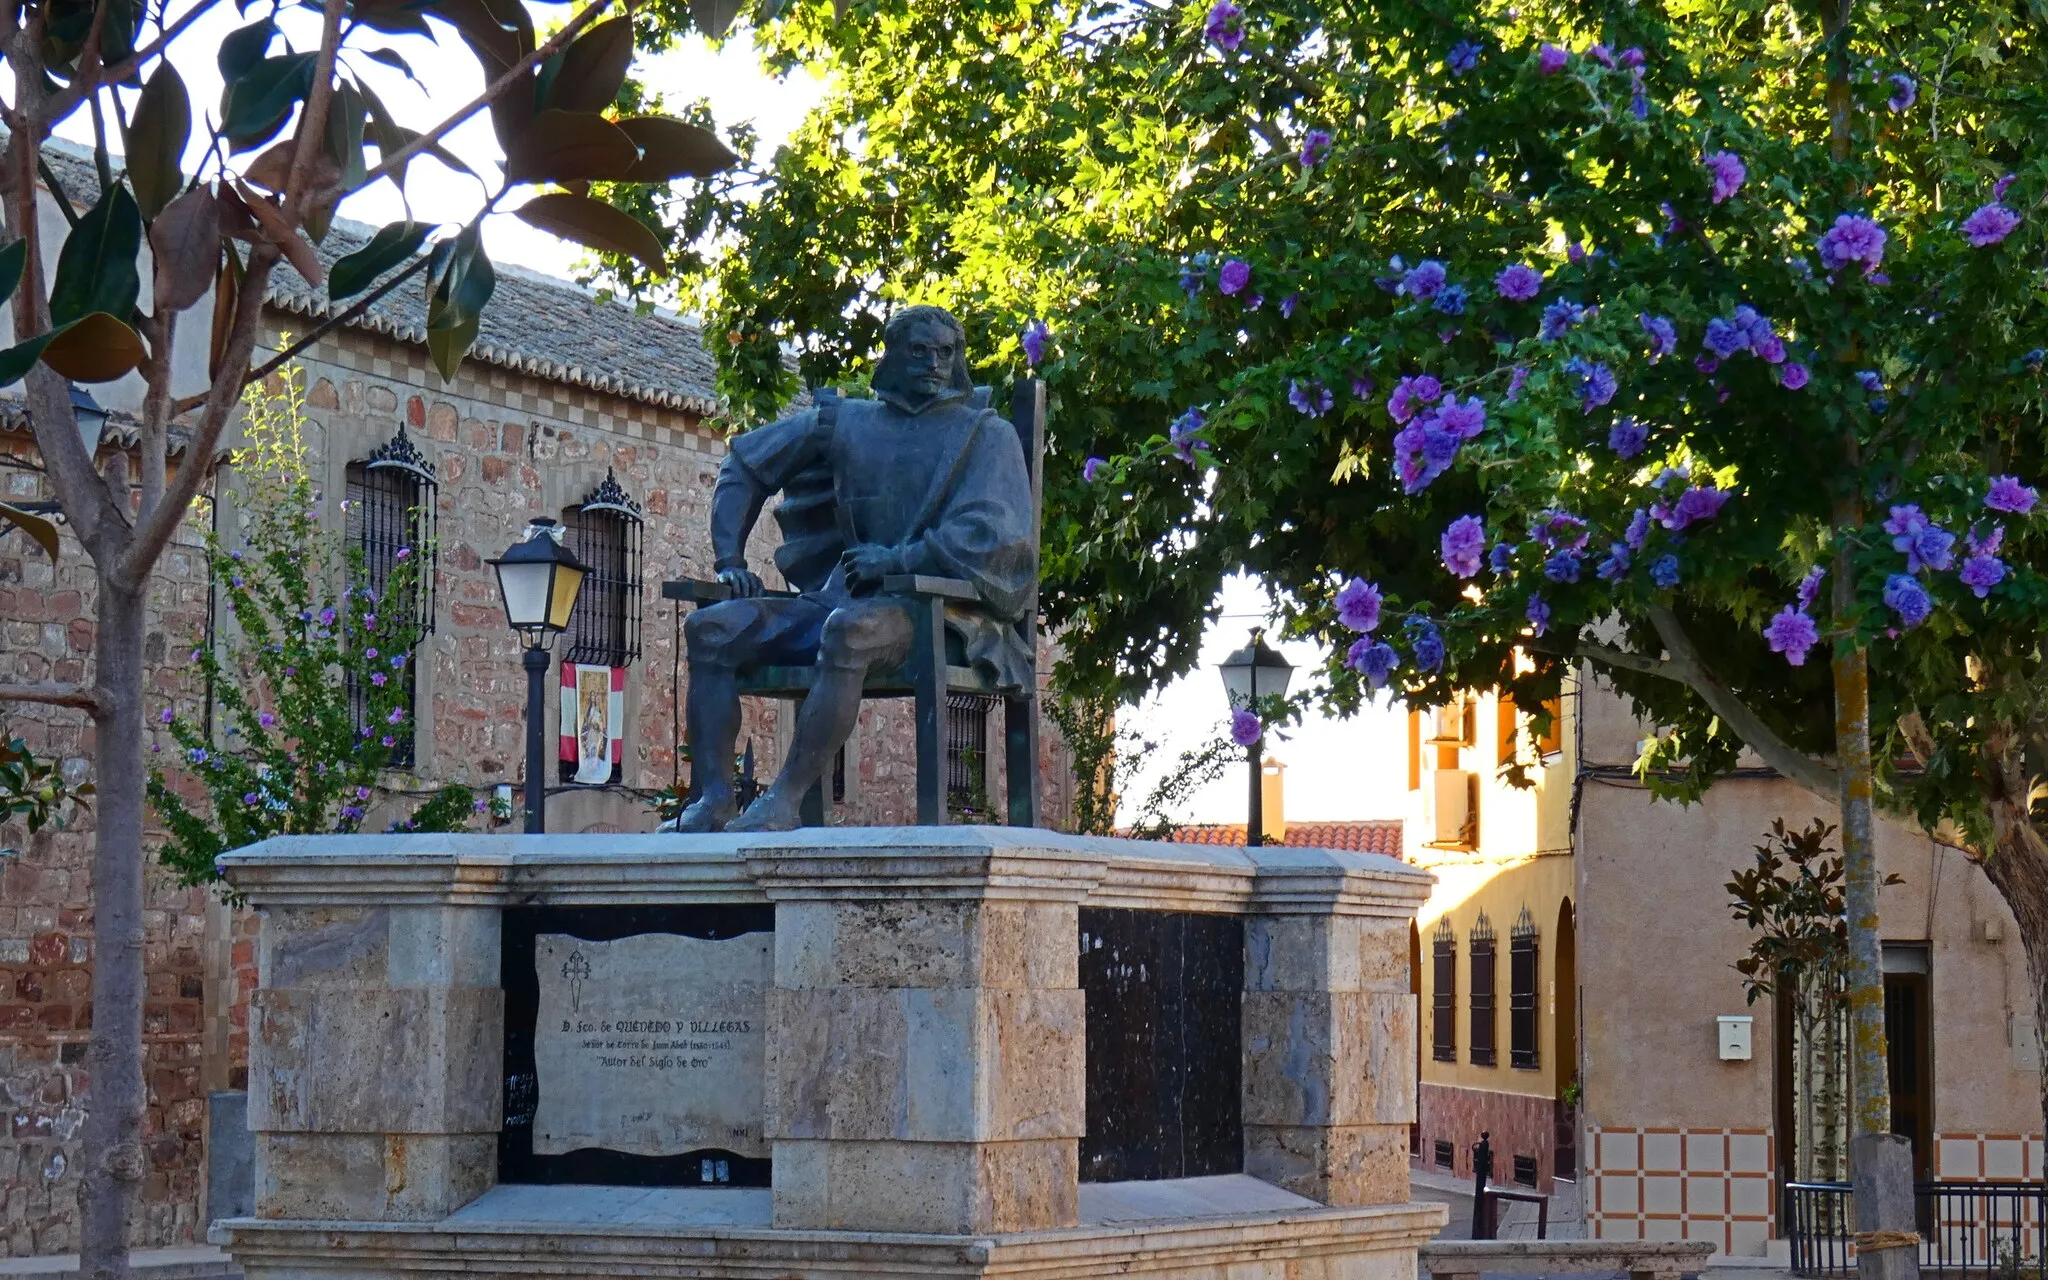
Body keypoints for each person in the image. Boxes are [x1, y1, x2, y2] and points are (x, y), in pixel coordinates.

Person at [671, 305, 1035, 831]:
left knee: (850, 632)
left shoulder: (987, 434)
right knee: (709, 629)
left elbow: (999, 536)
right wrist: (730, 560)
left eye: (945, 352)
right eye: (918, 351)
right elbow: (745, 465)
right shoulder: (846, 422)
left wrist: (901, 559)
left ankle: (784, 801)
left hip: (946, 611)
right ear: (892, 355)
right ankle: (713, 800)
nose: (933, 363)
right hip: (839, 595)